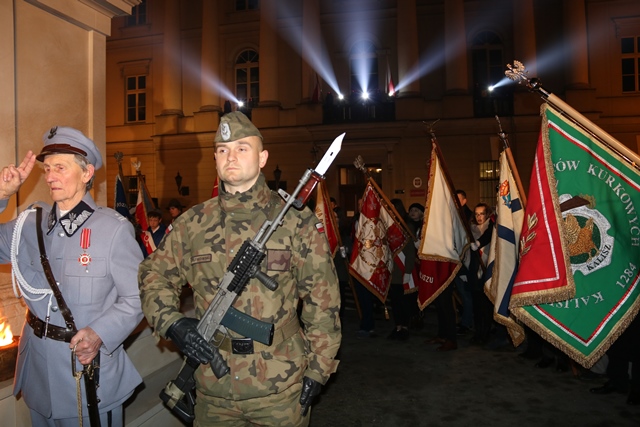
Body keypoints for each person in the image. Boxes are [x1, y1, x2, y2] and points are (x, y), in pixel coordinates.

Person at [139, 111, 341, 425]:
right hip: (213, 387)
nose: (230, 157)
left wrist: (319, 367)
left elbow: (322, 300)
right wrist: (173, 323)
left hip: (280, 386)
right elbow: (154, 275)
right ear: (215, 158)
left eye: (242, 148)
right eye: (223, 150)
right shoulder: (192, 223)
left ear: (262, 158)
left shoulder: (295, 222)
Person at [0, 127, 143, 426]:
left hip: (87, 375)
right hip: (38, 373)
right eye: (47, 169)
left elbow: (137, 296)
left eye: (60, 168)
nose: (50, 176)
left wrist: (100, 333)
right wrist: (2, 195)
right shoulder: (29, 224)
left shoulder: (113, 229)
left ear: (86, 173)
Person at [387, 199, 417, 341]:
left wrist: (408, 271)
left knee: (404, 301)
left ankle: (405, 327)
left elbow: (410, 251)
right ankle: (397, 326)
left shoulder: (406, 226)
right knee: (395, 301)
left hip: (403, 268)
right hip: (392, 270)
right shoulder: (388, 226)